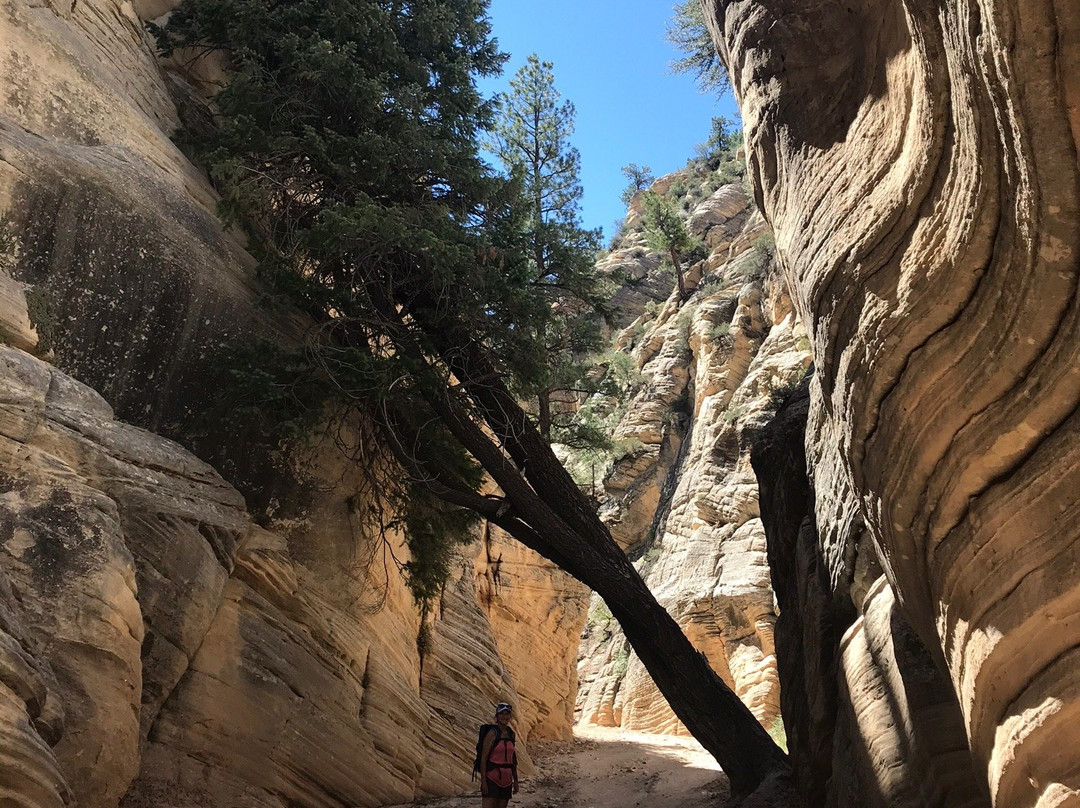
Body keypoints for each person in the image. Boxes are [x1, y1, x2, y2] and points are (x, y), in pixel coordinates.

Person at [479, 702, 518, 807]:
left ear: (510, 716)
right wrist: (483, 782)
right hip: (492, 778)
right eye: (501, 714)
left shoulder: (511, 734)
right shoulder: (492, 733)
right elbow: (484, 758)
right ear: (497, 716)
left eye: (507, 714)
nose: (504, 717)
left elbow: (512, 759)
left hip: (507, 779)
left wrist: (516, 780)